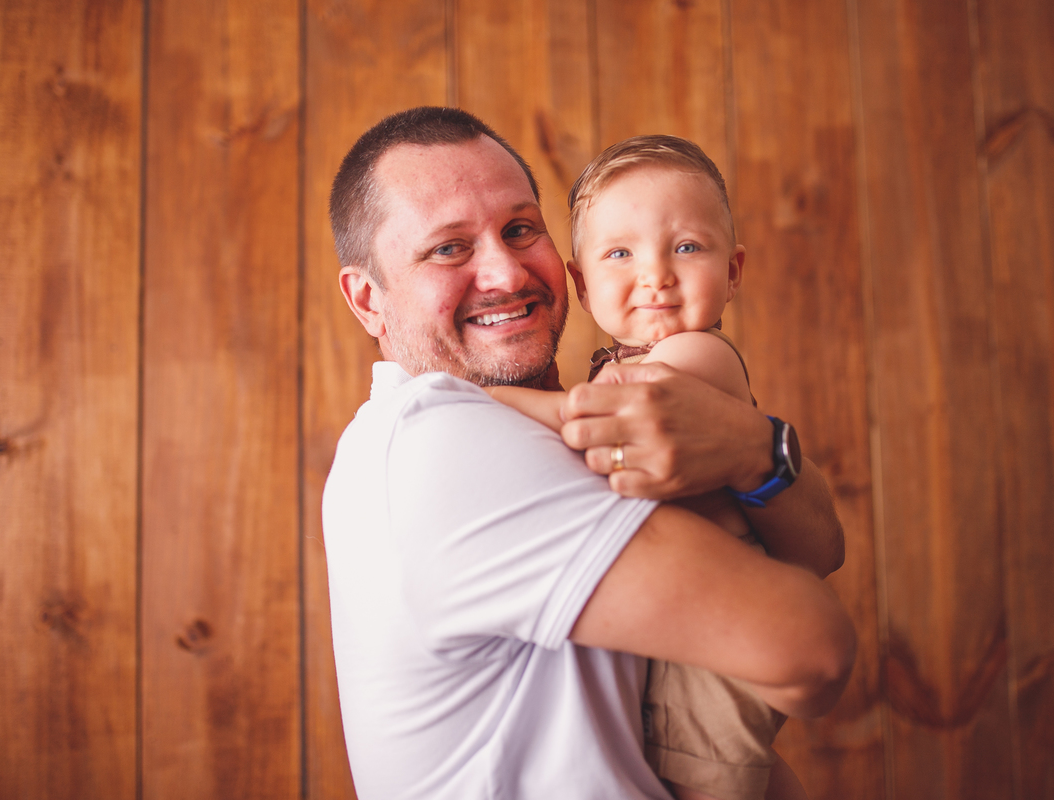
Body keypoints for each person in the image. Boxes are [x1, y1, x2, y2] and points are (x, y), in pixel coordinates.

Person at [323, 106, 856, 799]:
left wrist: (756, 449)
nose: (506, 273)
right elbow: (811, 648)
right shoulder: (436, 436)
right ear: (367, 299)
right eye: (448, 248)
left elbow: (824, 548)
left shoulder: (578, 420)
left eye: (520, 230)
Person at [486, 135, 840, 800]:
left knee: (702, 777)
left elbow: (589, 421)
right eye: (621, 253)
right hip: (675, 635)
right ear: (583, 283)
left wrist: (482, 400)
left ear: (733, 272)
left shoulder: (697, 359)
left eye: (686, 247)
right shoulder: (624, 363)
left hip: (712, 652)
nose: (656, 274)